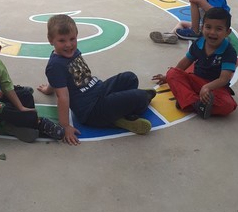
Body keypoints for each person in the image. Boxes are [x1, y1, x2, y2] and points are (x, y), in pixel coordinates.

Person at [40, 14, 155, 145]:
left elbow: (57, 81)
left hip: (99, 90)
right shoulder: (55, 65)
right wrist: (65, 126)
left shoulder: (71, 51)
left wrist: (48, 89)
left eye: (72, 39)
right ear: (51, 40)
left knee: (130, 78)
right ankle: (120, 119)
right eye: (62, 40)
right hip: (91, 110)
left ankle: (119, 112)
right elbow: (62, 97)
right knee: (141, 97)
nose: (68, 44)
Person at [0, 28, 65, 142]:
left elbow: (7, 87)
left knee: (26, 95)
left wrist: (21, 107)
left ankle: (14, 123)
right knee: (2, 109)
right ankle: (38, 123)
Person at [152, 8, 237, 118]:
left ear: (227, 32)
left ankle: (187, 101)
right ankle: (195, 103)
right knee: (172, 73)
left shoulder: (229, 51)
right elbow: (184, 63)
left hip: (215, 87)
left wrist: (207, 87)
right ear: (202, 28)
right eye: (208, 27)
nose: (212, 32)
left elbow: (224, 79)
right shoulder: (198, 43)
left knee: (228, 105)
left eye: (218, 29)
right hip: (195, 81)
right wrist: (167, 77)